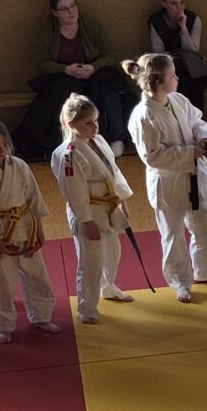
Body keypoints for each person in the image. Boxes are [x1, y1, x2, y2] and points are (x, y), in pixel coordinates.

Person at [126, 52, 207, 302]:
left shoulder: (178, 99)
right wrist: (190, 152)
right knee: (173, 234)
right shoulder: (143, 116)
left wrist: (205, 138)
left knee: (206, 225)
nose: (177, 78)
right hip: (168, 182)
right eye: (172, 75)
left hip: (194, 176)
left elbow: (197, 121)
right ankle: (180, 281)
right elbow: (152, 156)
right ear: (159, 82)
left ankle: (205, 270)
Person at [0, 117, 60, 342]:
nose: (2, 151)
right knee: (3, 283)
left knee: (37, 275)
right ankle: (5, 324)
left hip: (26, 229)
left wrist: (39, 229)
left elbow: (33, 197)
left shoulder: (19, 165)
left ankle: (41, 316)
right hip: (1, 233)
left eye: (5, 145)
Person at [54, 94, 136, 322]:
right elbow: (75, 192)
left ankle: (108, 287)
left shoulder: (98, 141)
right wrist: (87, 221)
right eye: (88, 122)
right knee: (90, 263)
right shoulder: (69, 154)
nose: (95, 126)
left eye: (96, 120)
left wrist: (123, 201)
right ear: (71, 124)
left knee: (112, 253)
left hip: (108, 206)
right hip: (88, 210)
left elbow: (114, 173)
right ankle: (87, 308)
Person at [31, 0, 133, 152]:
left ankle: (116, 138)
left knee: (110, 88)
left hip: (94, 72)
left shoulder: (90, 25)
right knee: (61, 92)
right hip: (66, 75)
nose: (71, 12)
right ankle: (70, 141)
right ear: (55, 13)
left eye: (73, 6)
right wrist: (66, 69)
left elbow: (111, 56)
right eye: (64, 9)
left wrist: (94, 67)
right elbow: (42, 63)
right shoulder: (48, 32)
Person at [146, 0, 207, 113]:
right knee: (176, 77)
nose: (179, 8)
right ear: (164, 4)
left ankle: (195, 118)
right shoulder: (156, 21)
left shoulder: (194, 20)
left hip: (193, 70)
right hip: (170, 68)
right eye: (173, 3)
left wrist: (183, 29)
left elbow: (193, 51)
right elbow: (158, 54)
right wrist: (179, 56)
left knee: (190, 78)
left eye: (182, 2)